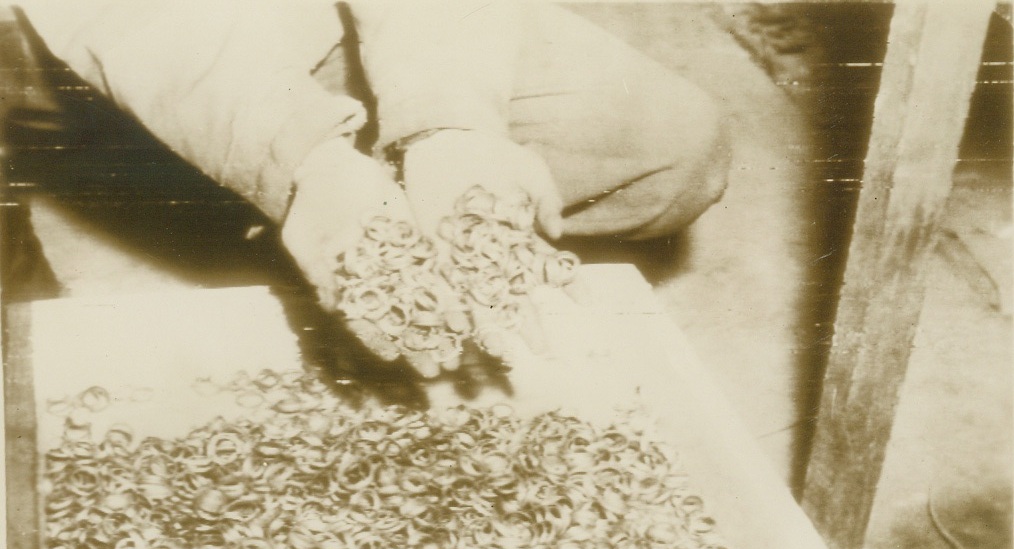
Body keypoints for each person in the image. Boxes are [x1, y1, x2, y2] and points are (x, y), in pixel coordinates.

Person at [13, 0, 730, 375]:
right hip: (49, 47)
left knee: (668, 145)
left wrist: (449, 125)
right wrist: (303, 156)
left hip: (289, 17)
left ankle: (341, 216)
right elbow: (132, 16)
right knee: (34, 370)